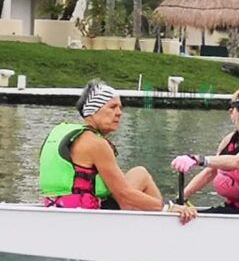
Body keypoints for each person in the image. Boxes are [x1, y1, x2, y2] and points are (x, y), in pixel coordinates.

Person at [39, 80, 196, 223]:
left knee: (138, 173)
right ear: (93, 110)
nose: (119, 113)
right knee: (141, 175)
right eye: (112, 107)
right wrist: (169, 207)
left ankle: (157, 219)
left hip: (55, 208)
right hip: (84, 216)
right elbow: (124, 195)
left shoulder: (61, 133)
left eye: (120, 107)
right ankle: (165, 224)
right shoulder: (96, 143)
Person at [171, 85, 239, 214]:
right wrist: (181, 198)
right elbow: (209, 172)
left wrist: (196, 159)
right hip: (233, 208)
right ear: (231, 113)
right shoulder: (228, 140)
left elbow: (237, 161)